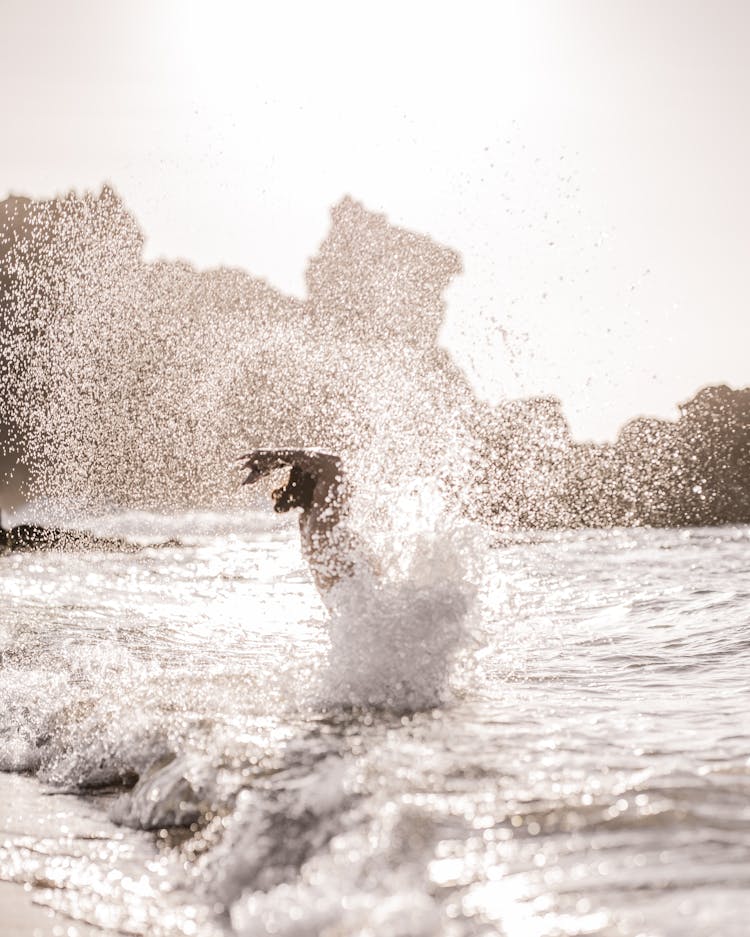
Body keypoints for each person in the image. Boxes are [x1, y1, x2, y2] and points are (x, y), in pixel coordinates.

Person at [239, 448, 365, 592]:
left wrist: (278, 460)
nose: (345, 488)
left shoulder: (310, 525)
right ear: (319, 490)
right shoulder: (322, 524)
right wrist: (276, 457)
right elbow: (333, 464)